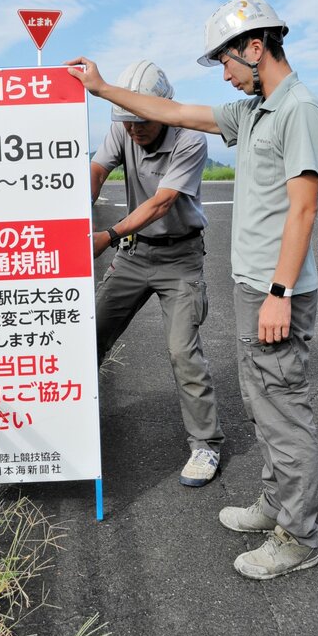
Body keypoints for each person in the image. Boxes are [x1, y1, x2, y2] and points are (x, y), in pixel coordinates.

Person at [68, 0, 318, 580]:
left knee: (283, 408)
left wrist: (280, 294)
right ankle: (273, 503)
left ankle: (298, 536)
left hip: (274, 291)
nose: (227, 75)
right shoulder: (254, 111)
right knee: (262, 402)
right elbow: (181, 111)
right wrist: (104, 89)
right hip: (251, 284)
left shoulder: (300, 110)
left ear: (255, 48)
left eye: (228, 62)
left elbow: (304, 211)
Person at [90, 60, 224, 487]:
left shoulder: (190, 138)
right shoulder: (124, 125)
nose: (133, 130)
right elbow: (98, 169)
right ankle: (69, 423)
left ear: (163, 108)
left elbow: (162, 203)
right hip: (134, 254)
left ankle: (205, 445)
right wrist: (76, 207)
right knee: (91, 333)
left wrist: (107, 235)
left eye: (142, 121)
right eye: (126, 122)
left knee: (183, 352)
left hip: (180, 257)